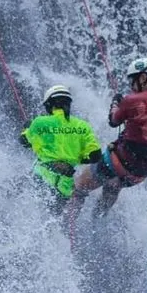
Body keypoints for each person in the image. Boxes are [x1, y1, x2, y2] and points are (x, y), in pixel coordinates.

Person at [73, 57, 147, 217]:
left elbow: (113, 121)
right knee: (113, 184)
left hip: (118, 160)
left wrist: (115, 103)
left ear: (143, 77)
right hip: (142, 171)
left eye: (132, 81)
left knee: (79, 187)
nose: (131, 86)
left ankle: (67, 226)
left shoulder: (132, 100)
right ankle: (98, 220)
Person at [19, 85, 102, 215]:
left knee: (13, 191)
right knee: (51, 219)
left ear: (49, 105)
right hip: (64, 187)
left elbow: (24, 141)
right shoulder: (83, 126)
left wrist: (27, 127)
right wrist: (75, 158)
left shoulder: (40, 122)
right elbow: (95, 155)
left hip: (40, 178)